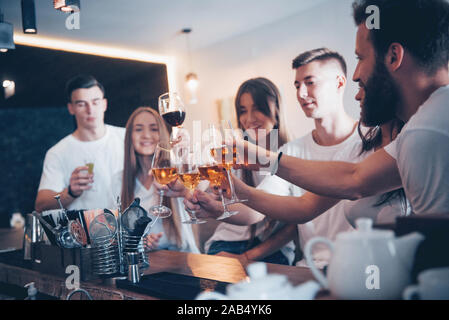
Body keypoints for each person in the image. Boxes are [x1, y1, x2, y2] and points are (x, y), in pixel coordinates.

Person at [213, 0, 449, 220]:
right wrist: (252, 170)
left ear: (394, 56)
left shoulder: (426, 130)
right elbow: (353, 179)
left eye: (360, 57)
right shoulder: (417, 130)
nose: (356, 76)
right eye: (297, 85)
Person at [188, 49, 409, 268]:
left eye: (310, 82)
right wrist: (220, 205)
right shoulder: (293, 150)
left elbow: (352, 180)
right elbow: (287, 208)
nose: (301, 93)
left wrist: (265, 159)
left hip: (364, 270)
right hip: (310, 268)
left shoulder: (378, 142)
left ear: (340, 83)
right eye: (297, 85)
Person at [156, 78, 297, 265]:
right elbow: (205, 180)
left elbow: (259, 213)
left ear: (276, 109)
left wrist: (246, 257)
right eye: (243, 111)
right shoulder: (234, 150)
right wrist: (183, 173)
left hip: (269, 251)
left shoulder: (288, 155)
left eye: (257, 108)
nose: (249, 118)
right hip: (226, 242)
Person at [109, 107, 200, 252]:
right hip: (145, 263)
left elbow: (200, 193)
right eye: (138, 129)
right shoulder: (118, 181)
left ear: (162, 134)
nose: (146, 135)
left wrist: (186, 157)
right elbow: (115, 234)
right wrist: (139, 242)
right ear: (129, 137)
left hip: (184, 258)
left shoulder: (177, 170)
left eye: (153, 129)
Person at [35, 75, 125, 212]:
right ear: (71, 108)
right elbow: (41, 205)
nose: (90, 110)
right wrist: (70, 193)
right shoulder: (58, 152)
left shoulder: (127, 138)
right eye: (81, 104)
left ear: (104, 104)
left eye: (95, 102)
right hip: (83, 232)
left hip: (127, 230)